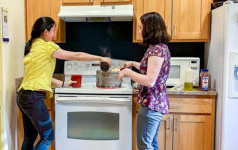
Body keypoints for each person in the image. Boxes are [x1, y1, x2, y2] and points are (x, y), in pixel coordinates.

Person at [17, 17, 112, 150]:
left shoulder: (32, 46)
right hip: (34, 97)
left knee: (30, 136)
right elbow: (76, 56)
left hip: (23, 96)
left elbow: (41, 76)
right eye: (53, 31)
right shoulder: (47, 46)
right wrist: (100, 57)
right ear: (45, 32)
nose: (54, 35)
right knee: (47, 136)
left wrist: (63, 84)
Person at [118, 12, 171, 150]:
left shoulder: (157, 50)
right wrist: (132, 64)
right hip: (154, 104)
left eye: (141, 27)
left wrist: (127, 72)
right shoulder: (158, 47)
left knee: (144, 144)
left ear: (150, 28)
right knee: (151, 143)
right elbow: (148, 69)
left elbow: (149, 80)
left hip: (151, 105)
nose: (139, 31)